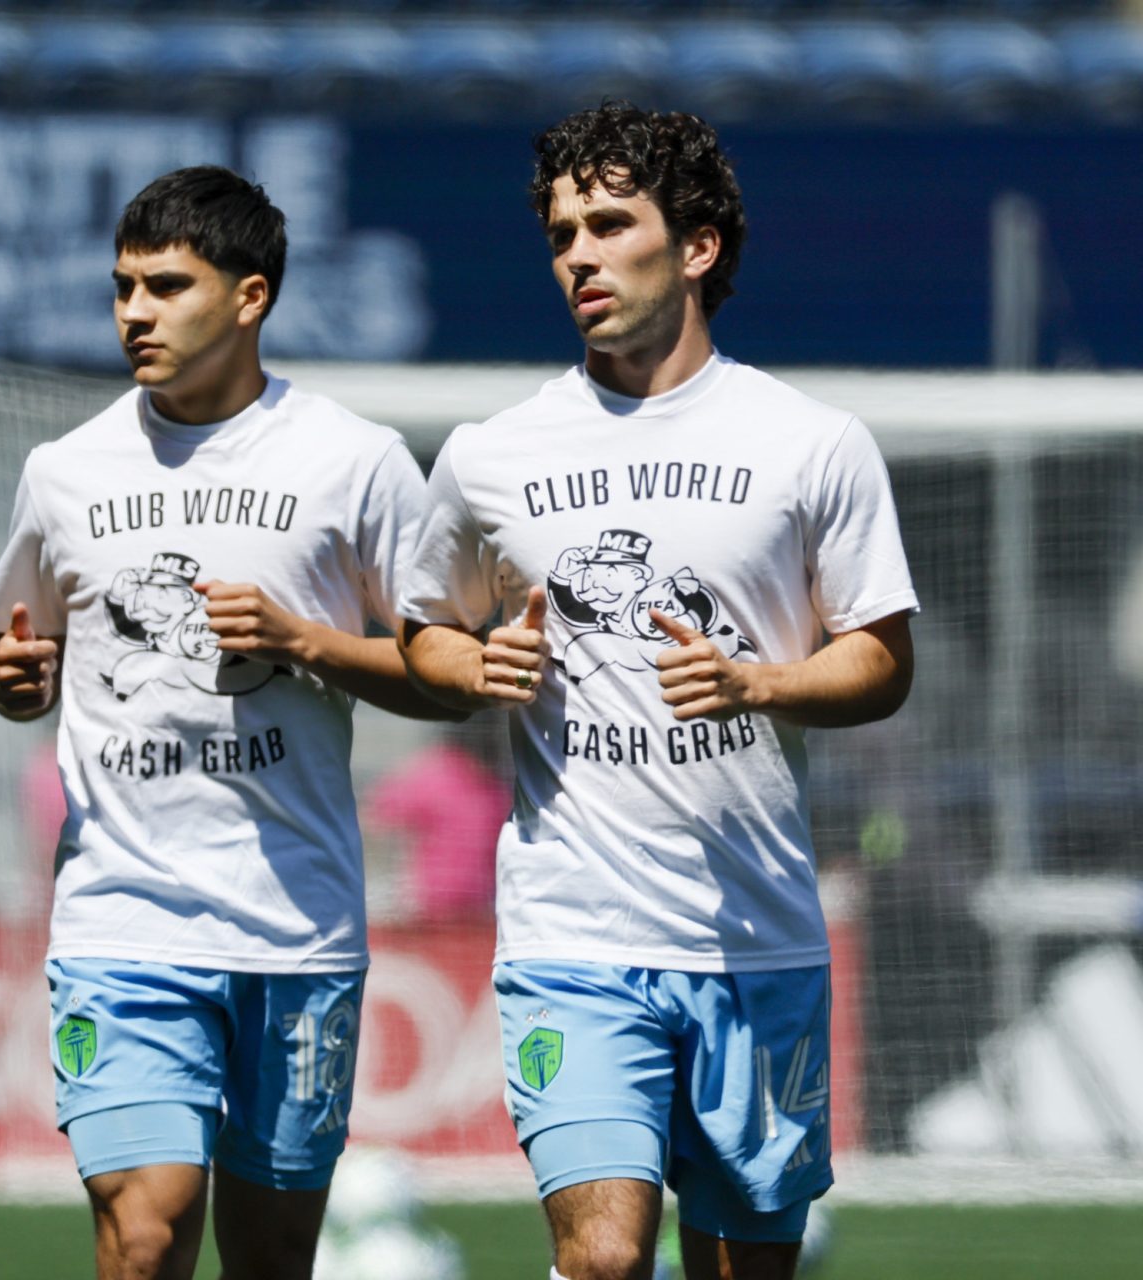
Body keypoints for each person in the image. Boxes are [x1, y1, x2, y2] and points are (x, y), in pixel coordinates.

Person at [398, 104, 917, 1280]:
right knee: (605, 1259)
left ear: (697, 247)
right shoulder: (493, 452)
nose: (578, 252)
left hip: (755, 939)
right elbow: (422, 631)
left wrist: (762, 680)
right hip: (572, 937)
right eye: (560, 231)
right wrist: (475, 664)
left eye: (611, 222)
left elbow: (883, 660)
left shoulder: (811, 443)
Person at [0, 165, 458, 1280]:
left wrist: (306, 642)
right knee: (144, 1234)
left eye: (165, 286)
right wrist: (10, 679)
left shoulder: (355, 460)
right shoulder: (65, 471)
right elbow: (20, 657)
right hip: (123, 918)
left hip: (296, 923)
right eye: (122, 287)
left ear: (250, 297)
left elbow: (455, 673)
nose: (133, 312)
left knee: (274, 1254)